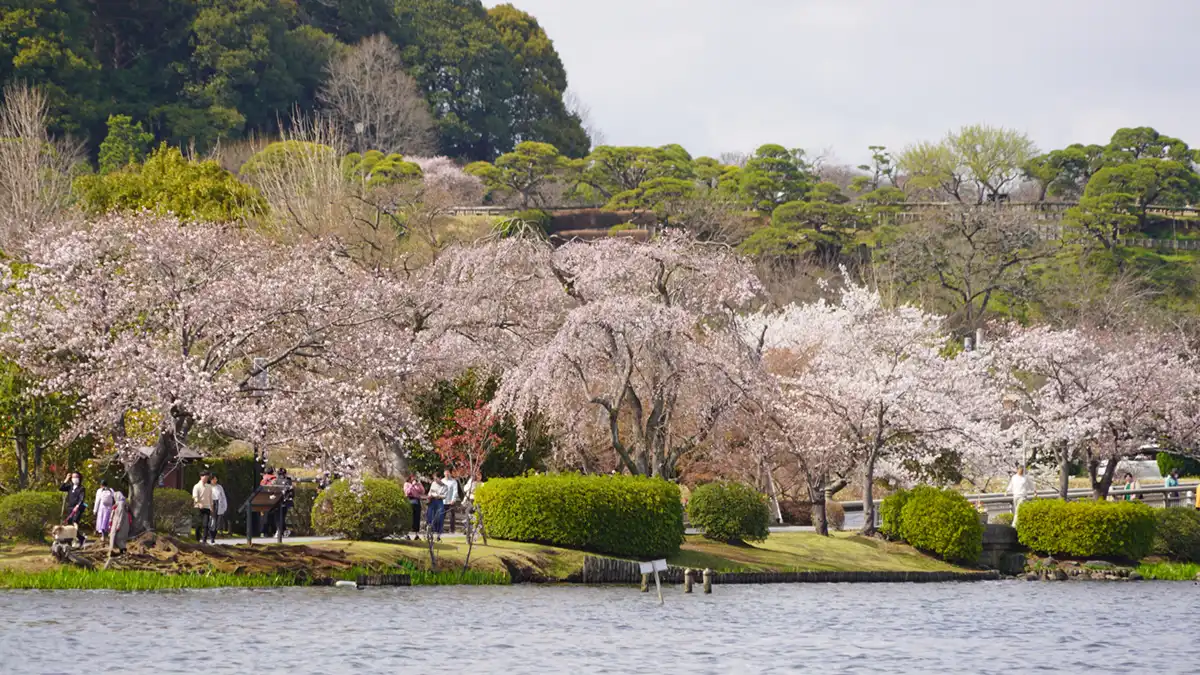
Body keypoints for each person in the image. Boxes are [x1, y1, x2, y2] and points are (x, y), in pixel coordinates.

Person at [59, 472, 87, 547]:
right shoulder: (70, 486)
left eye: (76, 477)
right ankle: (74, 540)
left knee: (75, 522)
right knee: (69, 525)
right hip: (70, 508)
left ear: (79, 478)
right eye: (73, 477)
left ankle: (78, 539)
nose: (74, 478)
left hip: (77, 508)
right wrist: (66, 479)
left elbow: (82, 498)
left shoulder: (81, 488)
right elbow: (61, 488)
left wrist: (77, 505)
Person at [192, 471, 214, 543]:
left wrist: (211, 506)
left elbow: (210, 497)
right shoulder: (196, 486)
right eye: (205, 477)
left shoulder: (209, 487)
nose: (206, 479)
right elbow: (195, 496)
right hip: (198, 507)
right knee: (198, 524)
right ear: (201, 477)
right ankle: (197, 540)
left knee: (206, 524)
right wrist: (198, 503)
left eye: (207, 478)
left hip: (207, 507)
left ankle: (204, 541)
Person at [426, 475, 448, 542]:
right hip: (432, 501)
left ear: (440, 478)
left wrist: (439, 496)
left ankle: (438, 536)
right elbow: (430, 492)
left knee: (439, 518)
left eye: (437, 478)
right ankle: (430, 535)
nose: (435, 479)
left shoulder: (445, 486)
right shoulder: (433, 483)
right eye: (434, 478)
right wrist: (429, 496)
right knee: (430, 517)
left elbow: (445, 496)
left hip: (439, 502)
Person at [403, 475, 425, 540]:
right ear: (410, 477)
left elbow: (422, 491)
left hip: (417, 501)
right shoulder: (406, 484)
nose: (414, 478)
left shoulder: (417, 484)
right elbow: (407, 493)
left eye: (415, 477)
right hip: (410, 500)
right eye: (413, 477)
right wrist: (412, 485)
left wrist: (419, 484)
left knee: (417, 518)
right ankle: (407, 535)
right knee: (409, 517)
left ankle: (416, 535)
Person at [209, 475, 227, 543]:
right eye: (214, 479)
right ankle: (211, 536)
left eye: (216, 479)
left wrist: (225, 506)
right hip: (211, 504)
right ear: (211, 480)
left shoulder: (219, 487)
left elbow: (223, 496)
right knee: (212, 521)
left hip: (218, 504)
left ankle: (213, 537)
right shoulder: (208, 487)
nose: (216, 480)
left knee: (217, 523)